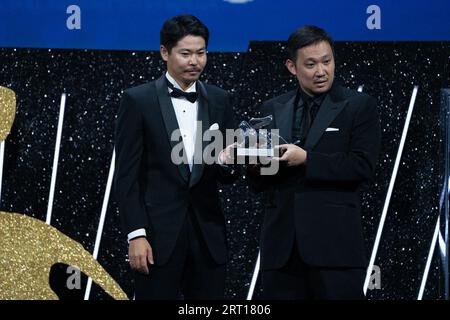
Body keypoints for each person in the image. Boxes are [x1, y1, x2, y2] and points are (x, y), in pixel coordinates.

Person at [247, 25, 381, 299]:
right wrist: (250, 160)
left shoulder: (358, 105)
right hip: (281, 250)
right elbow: (259, 182)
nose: (321, 71)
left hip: (335, 249)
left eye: (327, 61)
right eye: (310, 64)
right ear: (292, 67)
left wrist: (307, 159)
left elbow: (362, 166)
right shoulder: (271, 108)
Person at [114, 15, 237, 299]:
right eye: (186, 53)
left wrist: (227, 163)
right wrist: (136, 234)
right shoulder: (138, 100)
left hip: (208, 236)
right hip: (156, 239)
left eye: (201, 53)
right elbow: (127, 176)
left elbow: (228, 172)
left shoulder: (220, 100)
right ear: (164, 52)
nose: (195, 61)